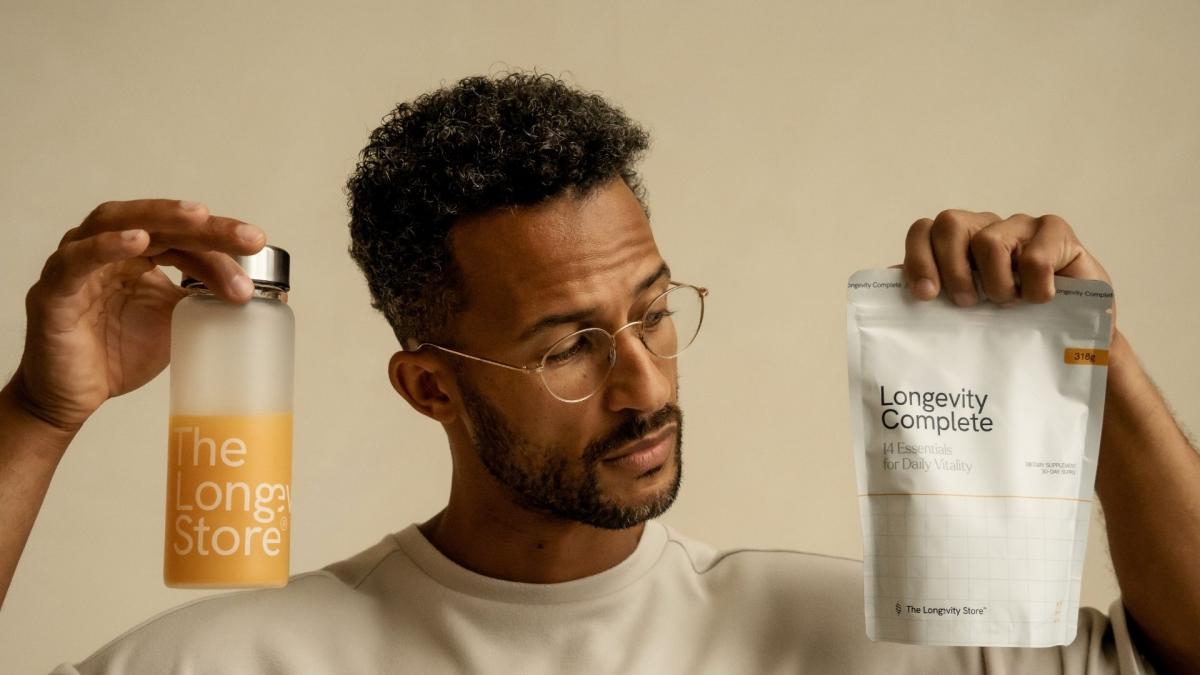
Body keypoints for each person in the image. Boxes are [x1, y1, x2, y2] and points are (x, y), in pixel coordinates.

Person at [1, 72, 1195, 674]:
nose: (645, 386)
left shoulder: (858, 638)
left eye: (655, 314)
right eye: (568, 344)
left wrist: (1094, 354)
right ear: (430, 388)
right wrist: (40, 414)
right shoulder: (249, 658)